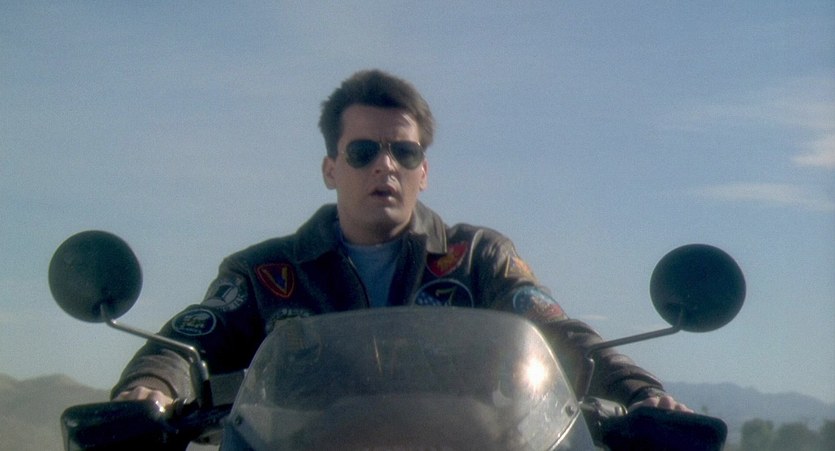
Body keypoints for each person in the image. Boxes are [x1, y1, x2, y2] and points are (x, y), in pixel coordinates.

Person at [113, 69, 690, 414]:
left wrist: (640, 393)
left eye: (404, 152)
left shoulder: (478, 261)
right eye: (363, 151)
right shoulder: (266, 273)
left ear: (423, 171)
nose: (385, 166)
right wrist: (150, 387)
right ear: (331, 169)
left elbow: (558, 332)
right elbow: (193, 340)